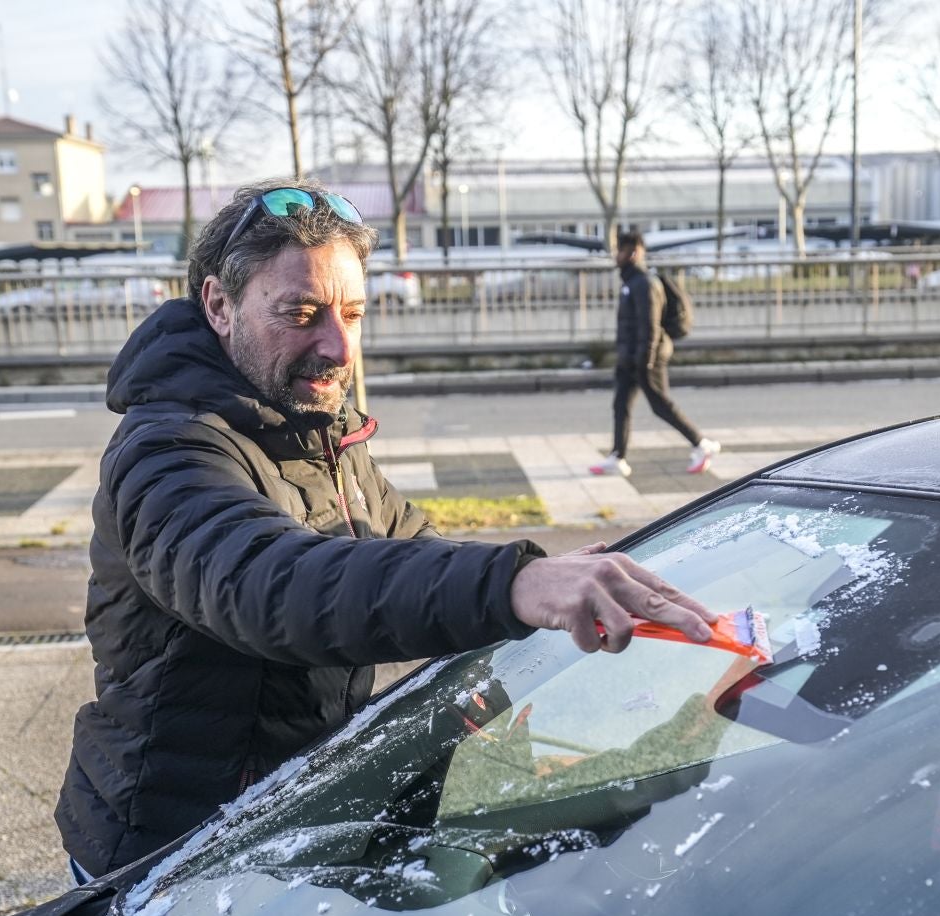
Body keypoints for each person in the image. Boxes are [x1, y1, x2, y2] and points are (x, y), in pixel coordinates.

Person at [58, 181, 717, 880]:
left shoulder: (316, 430)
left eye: (353, 313)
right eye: (302, 313)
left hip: (287, 823)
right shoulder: (167, 452)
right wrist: (512, 584)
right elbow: (271, 585)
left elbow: (410, 554)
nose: (339, 347)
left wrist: (550, 584)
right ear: (219, 305)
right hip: (166, 859)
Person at [590, 230, 722, 479]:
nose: (616, 255)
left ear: (634, 253)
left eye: (620, 250)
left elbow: (649, 327)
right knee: (621, 405)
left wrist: (645, 360)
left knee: (661, 405)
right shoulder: (631, 282)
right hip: (629, 356)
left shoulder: (645, 284)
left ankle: (702, 445)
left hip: (645, 358)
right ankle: (617, 457)